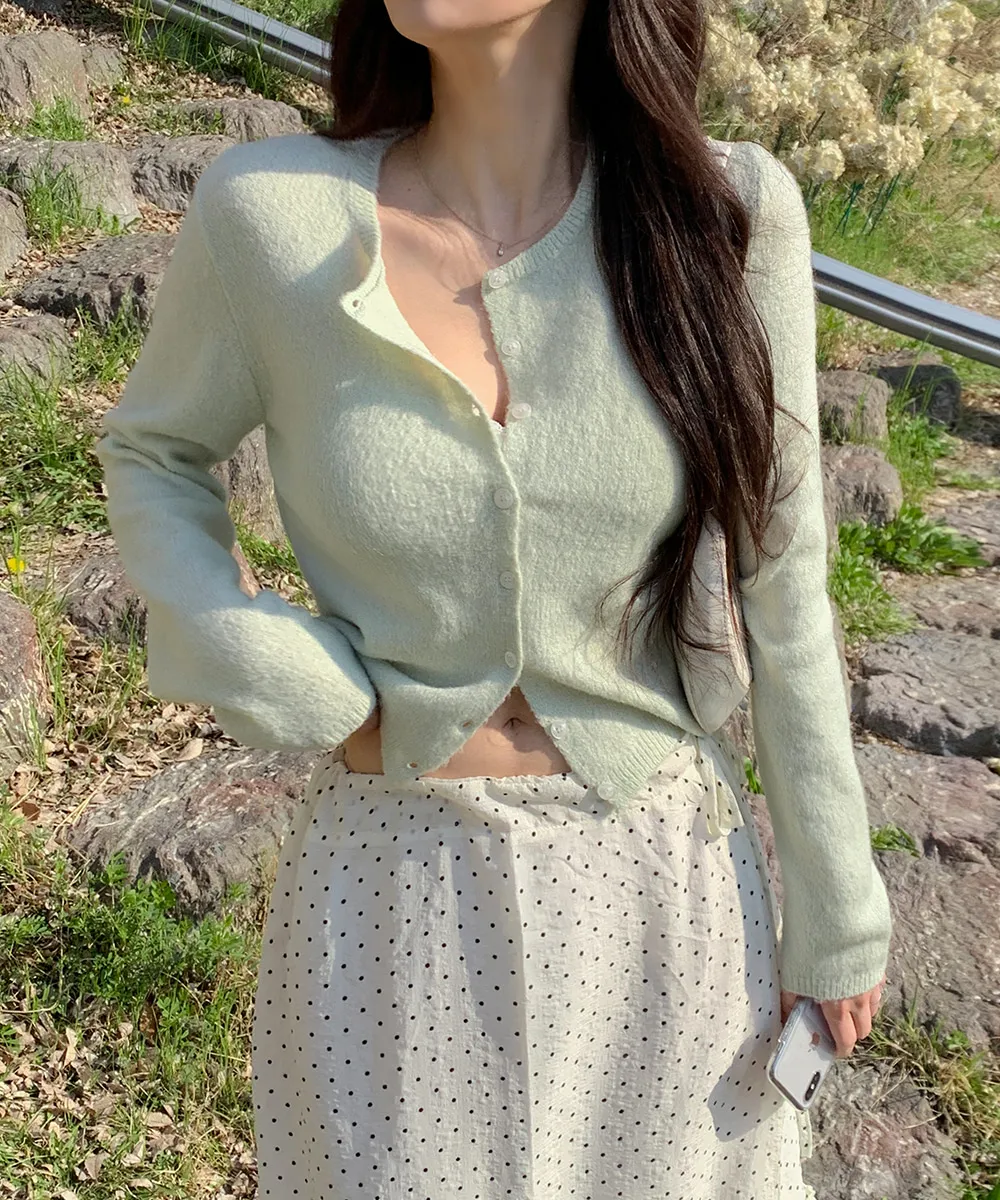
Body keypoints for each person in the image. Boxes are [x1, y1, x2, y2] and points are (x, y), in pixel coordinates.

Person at [95, 0, 893, 1194]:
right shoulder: (267, 212)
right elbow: (153, 451)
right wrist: (255, 654)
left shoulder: (722, 213)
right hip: (390, 892)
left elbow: (782, 571)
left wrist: (835, 910)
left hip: (659, 895)